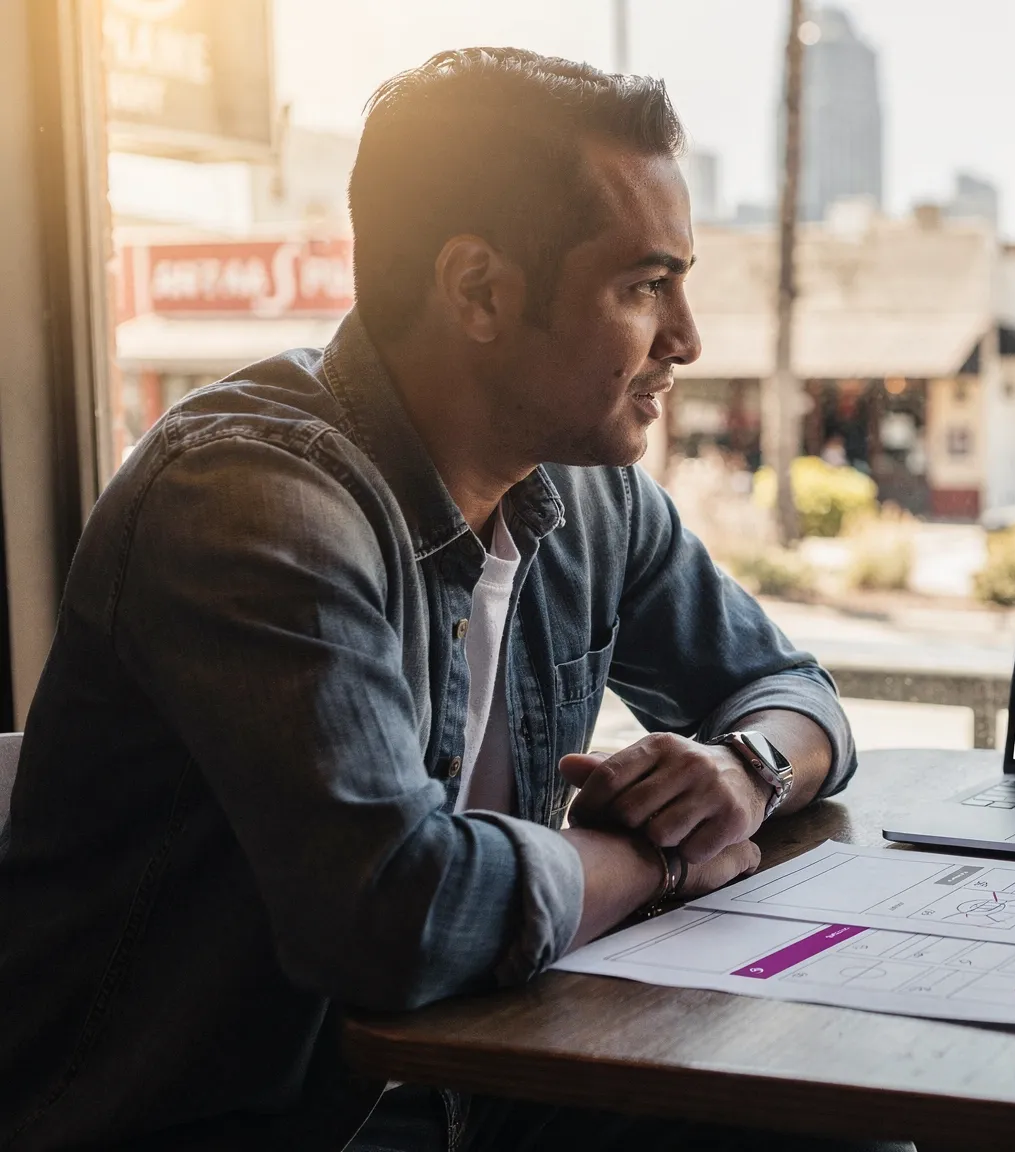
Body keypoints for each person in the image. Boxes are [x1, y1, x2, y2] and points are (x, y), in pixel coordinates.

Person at [0, 50, 870, 1151]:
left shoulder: (589, 498)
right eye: (644, 286)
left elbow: (792, 690)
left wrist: (741, 773)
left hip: (481, 1097)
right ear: (478, 291)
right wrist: (660, 860)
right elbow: (392, 912)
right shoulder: (245, 502)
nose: (686, 339)